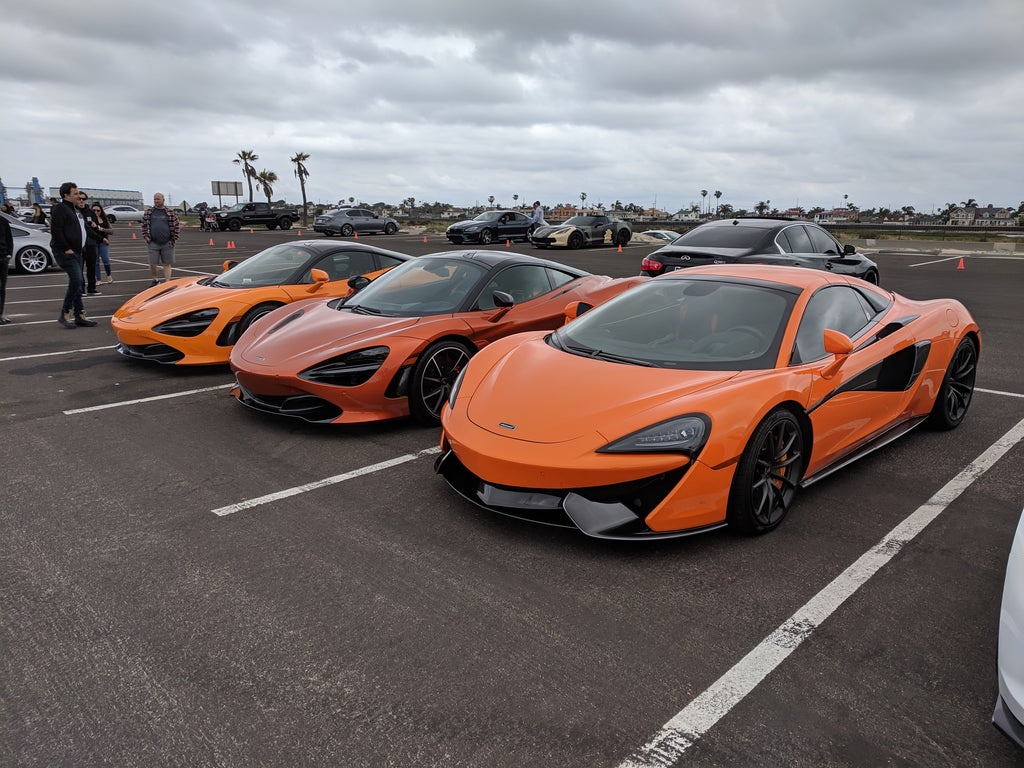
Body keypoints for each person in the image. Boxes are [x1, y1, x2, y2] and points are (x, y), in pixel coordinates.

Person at [49, 182, 97, 328]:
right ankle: (65, 313)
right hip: (66, 252)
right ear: (66, 195)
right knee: (76, 281)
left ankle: (79, 314)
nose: (78, 196)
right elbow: (56, 231)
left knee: (78, 283)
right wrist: (66, 248)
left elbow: (84, 230)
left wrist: (101, 238)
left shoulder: (75, 210)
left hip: (78, 251)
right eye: (75, 194)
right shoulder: (60, 209)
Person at [141, 192, 179, 286]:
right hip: (153, 242)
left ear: (163, 200)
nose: (156, 201)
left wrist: (173, 239)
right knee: (152, 263)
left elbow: (176, 225)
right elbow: (144, 226)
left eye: (158, 199)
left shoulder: (170, 213)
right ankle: (155, 280)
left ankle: (167, 282)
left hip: (167, 242)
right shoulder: (149, 212)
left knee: (167, 263)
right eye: (155, 199)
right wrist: (147, 238)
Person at [78, 191, 102, 296]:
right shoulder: (75, 212)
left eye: (83, 199)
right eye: (79, 199)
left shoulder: (90, 212)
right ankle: (81, 289)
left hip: (91, 243)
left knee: (91, 266)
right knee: (79, 267)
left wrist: (94, 226)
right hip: (79, 244)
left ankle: (92, 288)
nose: (81, 201)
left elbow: (97, 226)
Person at [91, 202, 114, 283]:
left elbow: (111, 231)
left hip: (103, 242)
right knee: (96, 261)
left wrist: (102, 229)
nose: (96, 212)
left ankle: (109, 275)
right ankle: (99, 279)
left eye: (98, 210)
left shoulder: (105, 220)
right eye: (94, 210)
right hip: (94, 242)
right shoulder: (90, 220)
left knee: (106, 260)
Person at [0, 213, 12, 324]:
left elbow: (9, 238)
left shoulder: (3, 221)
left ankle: (0, 314)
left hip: (3, 257)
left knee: (2, 288)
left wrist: (9, 253)